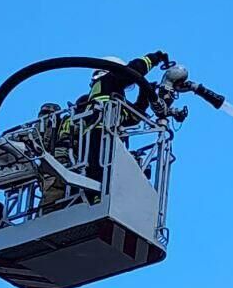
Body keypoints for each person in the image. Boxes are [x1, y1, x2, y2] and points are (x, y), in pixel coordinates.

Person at [65, 52, 169, 195]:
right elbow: (135, 69)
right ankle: (96, 197)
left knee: (106, 174)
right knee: (98, 173)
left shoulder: (113, 97)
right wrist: (154, 58)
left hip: (108, 136)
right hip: (100, 134)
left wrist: (145, 93)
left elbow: (133, 117)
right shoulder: (107, 81)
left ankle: (99, 197)